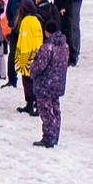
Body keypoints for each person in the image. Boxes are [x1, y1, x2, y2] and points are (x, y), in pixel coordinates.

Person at [29, 18, 70, 148]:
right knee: (55, 110)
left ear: (46, 31)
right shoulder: (64, 46)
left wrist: (31, 71)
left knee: (46, 111)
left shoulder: (47, 47)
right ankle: (55, 136)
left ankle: (48, 138)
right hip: (58, 83)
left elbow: (38, 66)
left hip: (45, 85)